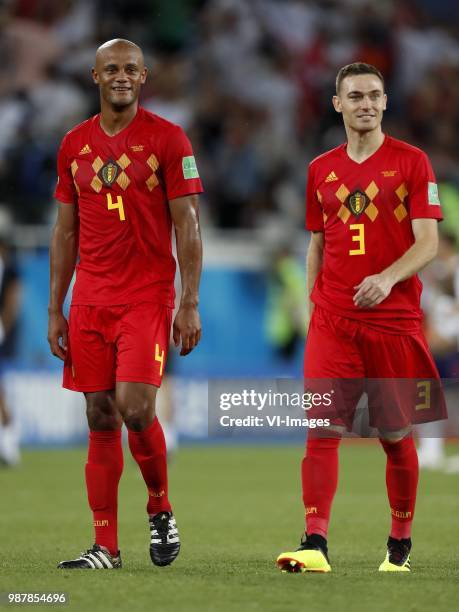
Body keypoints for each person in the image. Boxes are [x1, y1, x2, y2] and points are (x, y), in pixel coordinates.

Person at [276, 63, 445, 574]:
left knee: (394, 434)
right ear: (338, 104)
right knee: (322, 429)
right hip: (333, 321)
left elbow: (429, 242)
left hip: (393, 323)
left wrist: (388, 278)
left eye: (374, 95)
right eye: (355, 96)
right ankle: (315, 542)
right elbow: (317, 244)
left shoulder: (413, 163)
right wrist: (313, 306)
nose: (365, 103)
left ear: (386, 102)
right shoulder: (319, 170)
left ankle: (399, 539)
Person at [48, 39, 203, 570]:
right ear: (94, 75)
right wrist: (55, 307)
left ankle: (159, 508)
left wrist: (190, 301)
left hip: (145, 294)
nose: (121, 76)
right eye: (111, 68)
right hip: (91, 298)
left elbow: (188, 224)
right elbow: (64, 232)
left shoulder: (168, 138)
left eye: (130, 69)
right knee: (98, 413)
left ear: (144, 77)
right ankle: (105, 547)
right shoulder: (73, 144)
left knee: (136, 409)